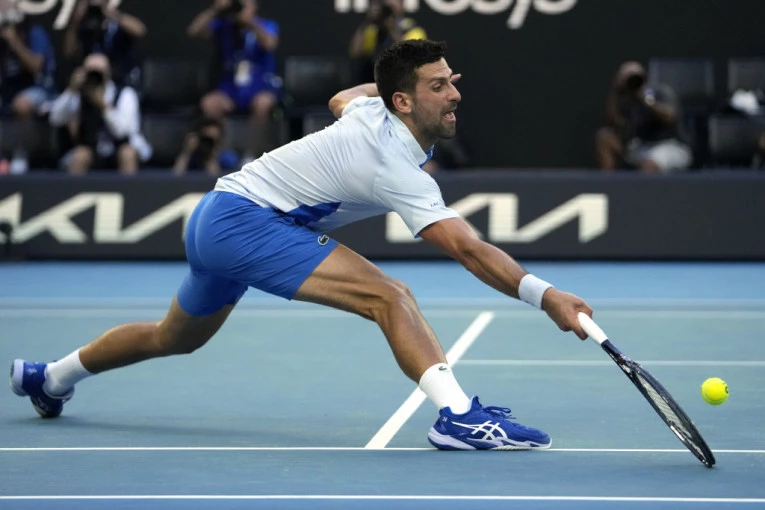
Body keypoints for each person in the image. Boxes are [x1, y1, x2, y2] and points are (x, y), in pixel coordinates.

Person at [11, 40, 592, 451]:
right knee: (389, 296)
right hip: (243, 222)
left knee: (174, 337)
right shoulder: (393, 164)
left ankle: (49, 378)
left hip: (218, 215)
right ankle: (458, 417)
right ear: (403, 102)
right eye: (438, 86)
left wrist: (394, 86)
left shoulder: (370, 110)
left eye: (452, 81)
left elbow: (341, 97)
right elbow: (467, 249)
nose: (455, 94)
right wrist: (547, 296)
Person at [187, 0, 281, 162]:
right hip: (231, 87)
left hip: (259, 85)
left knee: (263, 103)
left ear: (255, 6)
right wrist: (215, 10)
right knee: (210, 103)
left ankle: (251, 155)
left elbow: (270, 43)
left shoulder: (266, 25)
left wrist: (251, 22)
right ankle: (222, 155)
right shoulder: (225, 26)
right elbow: (194, 31)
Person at [48, 53, 151, 175]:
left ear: (108, 73)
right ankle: (73, 188)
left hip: (120, 147)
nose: (94, 77)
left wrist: (104, 108)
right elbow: (55, 119)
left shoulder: (125, 94)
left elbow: (122, 132)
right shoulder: (77, 95)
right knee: (81, 155)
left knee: (127, 153)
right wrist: (71, 90)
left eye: (98, 73)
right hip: (92, 149)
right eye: (90, 72)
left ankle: (131, 188)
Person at [595, 61, 692, 174]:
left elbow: (670, 116)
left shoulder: (659, 91)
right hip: (641, 146)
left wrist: (646, 101)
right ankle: (608, 182)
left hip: (669, 146)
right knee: (604, 137)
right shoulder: (626, 99)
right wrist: (615, 90)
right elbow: (613, 121)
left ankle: (641, 186)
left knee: (649, 163)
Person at [0, 0, 56, 173]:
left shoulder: (33, 32)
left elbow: (36, 67)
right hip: (9, 90)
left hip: (40, 89)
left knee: (22, 104)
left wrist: (14, 41)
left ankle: (21, 154)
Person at [62, 0, 147, 92]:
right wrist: (75, 22)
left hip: (121, 80)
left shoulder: (116, 22)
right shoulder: (85, 26)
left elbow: (140, 31)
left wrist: (113, 15)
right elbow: (68, 52)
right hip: (95, 80)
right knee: (77, 78)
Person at [348, 0, 426, 84]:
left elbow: (408, 56)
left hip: (403, 82)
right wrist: (368, 21)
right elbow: (355, 52)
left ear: (402, 5)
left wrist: (391, 28)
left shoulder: (413, 29)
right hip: (375, 81)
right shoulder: (375, 30)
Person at [173, 116, 239, 177]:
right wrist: (187, 152)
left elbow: (215, 179)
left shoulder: (227, 157)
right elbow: (176, 177)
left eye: (212, 140)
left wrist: (210, 156)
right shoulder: (192, 157)